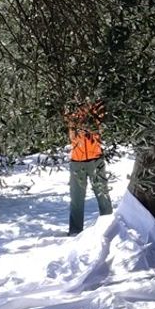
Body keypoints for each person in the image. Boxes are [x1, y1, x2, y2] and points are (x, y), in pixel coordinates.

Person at [66, 100, 113, 235]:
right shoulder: (71, 111)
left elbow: (103, 123)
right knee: (76, 199)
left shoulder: (97, 109)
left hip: (95, 159)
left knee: (103, 195)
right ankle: (75, 231)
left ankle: (109, 228)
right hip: (77, 161)